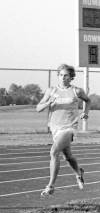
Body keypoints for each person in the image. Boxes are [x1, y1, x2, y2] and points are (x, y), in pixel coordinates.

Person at [36, 64, 90, 196]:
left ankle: (50, 186)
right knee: (68, 156)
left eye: (66, 75)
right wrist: (48, 103)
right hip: (55, 128)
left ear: (71, 77)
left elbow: (88, 101)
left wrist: (85, 112)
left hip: (70, 127)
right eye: (60, 75)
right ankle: (79, 173)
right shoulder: (51, 90)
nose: (63, 77)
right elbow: (38, 108)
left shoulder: (76, 91)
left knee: (54, 152)